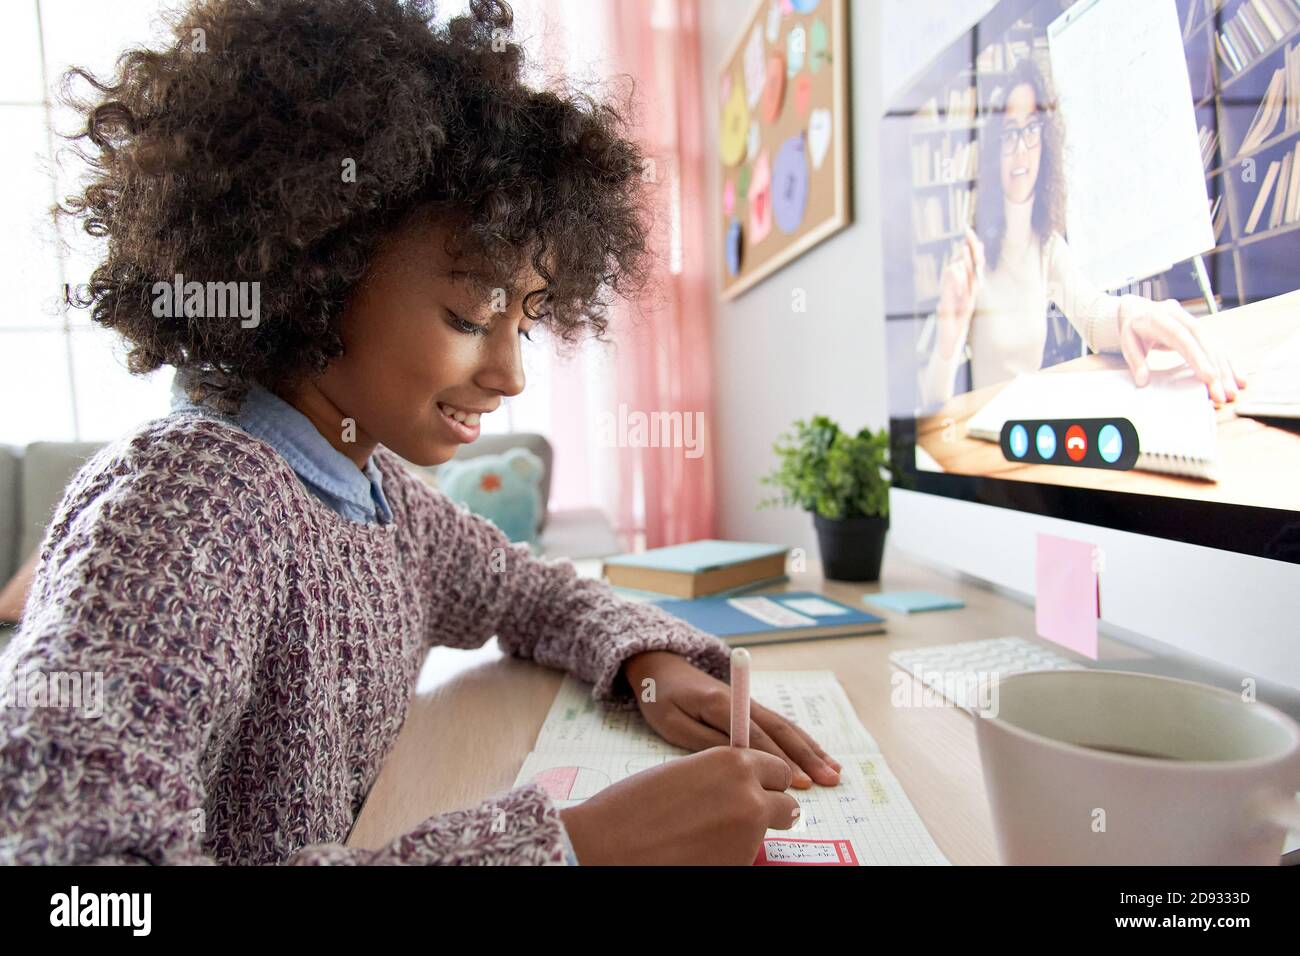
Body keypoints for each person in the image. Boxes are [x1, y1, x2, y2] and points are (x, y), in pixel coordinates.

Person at [0, 0, 839, 866]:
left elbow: (529, 592)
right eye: (472, 312)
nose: (511, 375)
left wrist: (647, 664)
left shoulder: (378, 494)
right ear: (317, 264)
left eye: (528, 316)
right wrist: (573, 852)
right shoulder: (185, 509)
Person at [920, 58, 1246, 409]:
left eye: (1031, 130)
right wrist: (948, 338)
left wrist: (1133, 313)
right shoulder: (972, 257)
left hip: (1024, 422)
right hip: (980, 432)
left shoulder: (1048, 248)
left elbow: (1091, 314)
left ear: (1045, 144)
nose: (1019, 150)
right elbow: (932, 400)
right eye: (1008, 133)